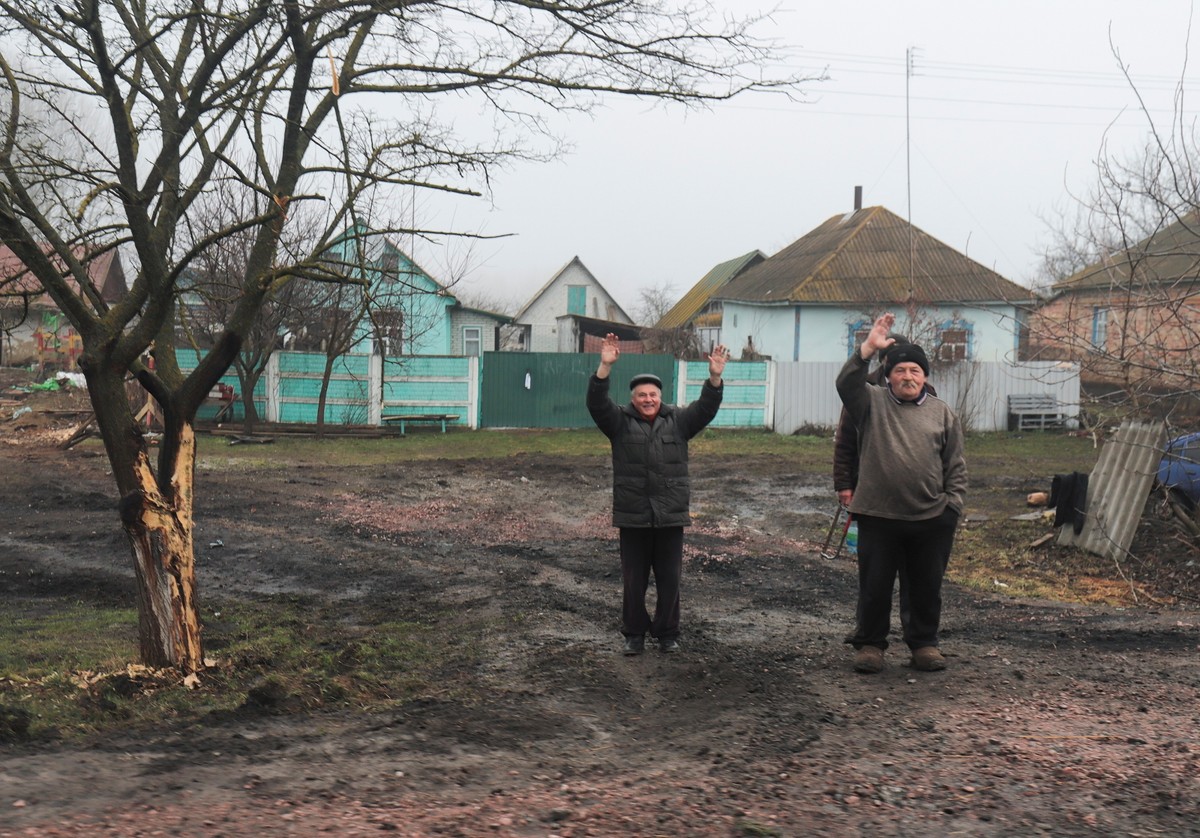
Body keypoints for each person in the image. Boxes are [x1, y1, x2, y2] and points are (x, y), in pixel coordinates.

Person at [835, 312, 966, 674]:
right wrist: (865, 351)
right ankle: (871, 645)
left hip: (931, 517)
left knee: (925, 587)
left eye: (915, 371)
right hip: (878, 515)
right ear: (888, 376)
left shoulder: (942, 413)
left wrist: (952, 506)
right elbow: (846, 384)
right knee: (874, 586)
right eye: (900, 370)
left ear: (925, 376)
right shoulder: (870, 403)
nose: (907, 377)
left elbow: (955, 464)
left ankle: (923, 644)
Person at [587, 333, 729, 655]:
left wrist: (715, 377)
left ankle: (668, 634)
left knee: (670, 580)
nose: (647, 399)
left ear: (660, 397)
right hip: (633, 516)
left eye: (652, 394)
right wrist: (604, 367)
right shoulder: (619, 423)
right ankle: (634, 634)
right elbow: (596, 404)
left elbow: (707, 407)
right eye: (641, 395)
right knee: (633, 583)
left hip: (670, 516)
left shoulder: (678, 421)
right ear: (633, 399)